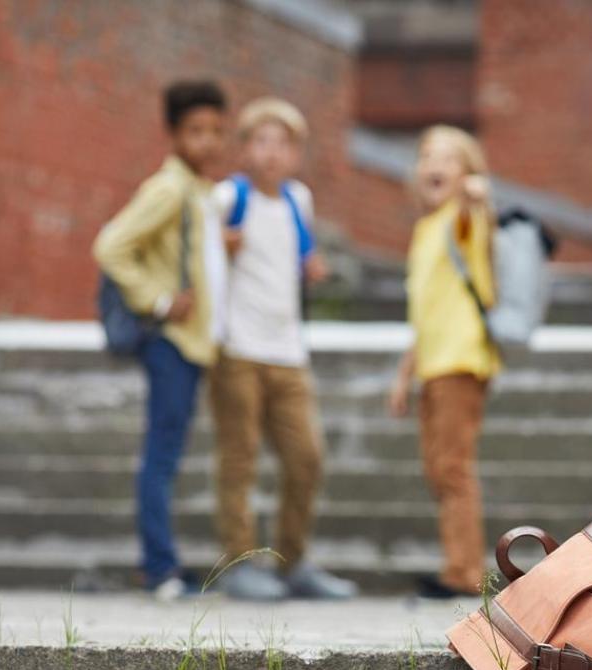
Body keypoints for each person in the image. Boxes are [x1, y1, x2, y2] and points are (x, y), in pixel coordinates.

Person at [207, 97, 357, 601]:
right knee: (240, 458)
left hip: (289, 352)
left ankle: (293, 561)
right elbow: (203, 261)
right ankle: (240, 562)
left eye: (283, 143)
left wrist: (311, 266)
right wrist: (218, 248)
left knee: (307, 457)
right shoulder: (228, 197)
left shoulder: (299, 199)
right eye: (261, 141)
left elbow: (297, 252)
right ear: (245, 148)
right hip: (238, 350)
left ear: (295, 154)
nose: (272, 153)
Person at [93, 80, 228, 601]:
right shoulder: (169, 187)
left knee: (167, 451)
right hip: (170, 342)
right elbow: (111, 246)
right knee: (162, 454)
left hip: (193, 344)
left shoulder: (197, 190)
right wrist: (159, 300)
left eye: (217, 131)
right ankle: (159, 568)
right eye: (196, 130)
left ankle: (162, 563)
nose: (209, 141)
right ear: (172, 134)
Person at [388, 125, 498, 599]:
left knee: (452, 467)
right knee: (437, 468)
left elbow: (478, 211)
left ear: (466, 172)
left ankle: (464, 572)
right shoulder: (425, 228)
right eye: (427, 155)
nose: (435, 165)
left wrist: (476, 194)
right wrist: (404, 374)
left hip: (461, 358)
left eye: (449, 159)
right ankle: (458, 563)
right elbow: (424, 311)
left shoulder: (461, 219)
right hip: (432, 363)